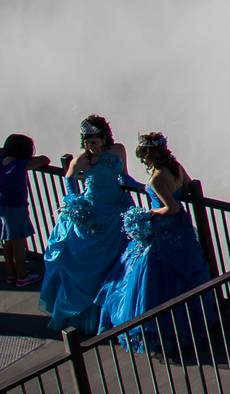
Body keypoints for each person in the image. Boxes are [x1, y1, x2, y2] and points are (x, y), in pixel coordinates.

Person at [97, 132, 212, 351]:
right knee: (183, 274)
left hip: (165, 229)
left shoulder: (157, 177)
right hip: (182, 228)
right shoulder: (175, 167)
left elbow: (171, 207)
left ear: (147, 155)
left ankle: (160, 330)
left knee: (151, 275)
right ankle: (189, 326)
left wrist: (149, 212)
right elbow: (186, 186)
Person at [38, 115, 137, 332]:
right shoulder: (81, 160)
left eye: (93, 141)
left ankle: (112, 310)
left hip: (117, 210)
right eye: (86, 141)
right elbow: (69, 181)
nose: (89, 145)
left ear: (104, 138)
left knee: (118, 260)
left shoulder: (118, 150)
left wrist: (144, 189)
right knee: (87, 263)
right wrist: (77, 207)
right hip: (94, 212)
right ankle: (86, 314)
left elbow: (125, 178)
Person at [0, 134, 51, 286]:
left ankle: (11, 274)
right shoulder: (19, 165)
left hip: (1, 205)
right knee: (19, 241)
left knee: (8, 241)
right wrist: (27, 159)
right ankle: (22, 275)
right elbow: (44, 160)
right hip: (16, 207)